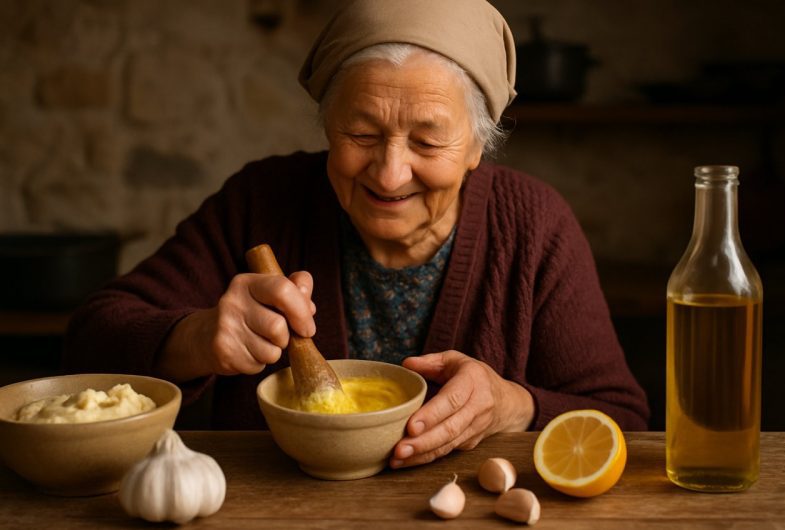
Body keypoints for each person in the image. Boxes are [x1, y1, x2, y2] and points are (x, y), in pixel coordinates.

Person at [63, 0, 649, 469]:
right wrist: (196, 339)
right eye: (362, 134)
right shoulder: (260, 200)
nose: (391, 173)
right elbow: (91, 337)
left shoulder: (533, 225)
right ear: (327, 127)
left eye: (427, 141)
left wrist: (514, 406)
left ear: (476, 147)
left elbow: (622, 420)